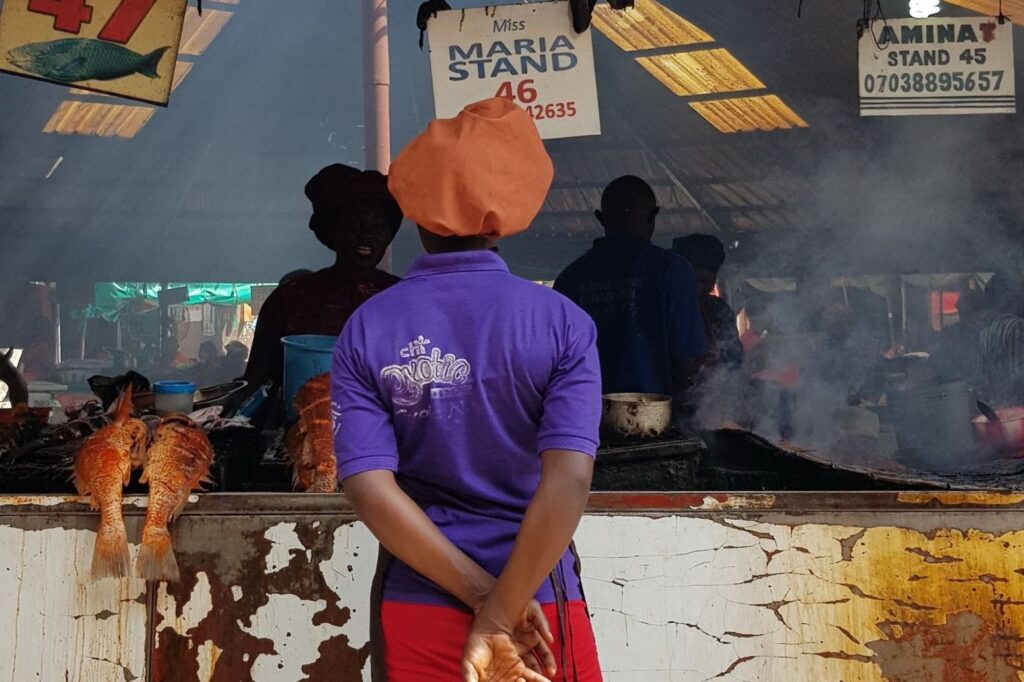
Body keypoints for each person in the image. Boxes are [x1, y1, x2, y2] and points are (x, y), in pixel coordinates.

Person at [332, 98, 603, 682]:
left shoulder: (368, 326)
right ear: (505, 214)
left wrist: (484, 601)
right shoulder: (561, 323)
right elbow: (570, 480)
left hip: (418, 598)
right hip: (539, 612)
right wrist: (500, 615)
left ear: (417, 216)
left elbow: (368, 488)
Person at [243, 166, 403, 395]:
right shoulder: (291, 298)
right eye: (354, 225)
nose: (367, 235)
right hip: (305, 425)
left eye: (378, 227)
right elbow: (256, 384)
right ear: (333, 230)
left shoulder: (403, 298)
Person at [554, 175, 705, 400]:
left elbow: (555, 364)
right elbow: (688, 362)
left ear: (600, 219)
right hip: (658, 422)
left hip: (587, 420)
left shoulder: (569, 280)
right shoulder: (672, 271)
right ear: (653, 216)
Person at [673, 234, 743, 370]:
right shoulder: (668, 309)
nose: (699, 289)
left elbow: (736, 359)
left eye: (706, 282)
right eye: (695, 281)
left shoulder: (718, 310)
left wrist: (720, 358)